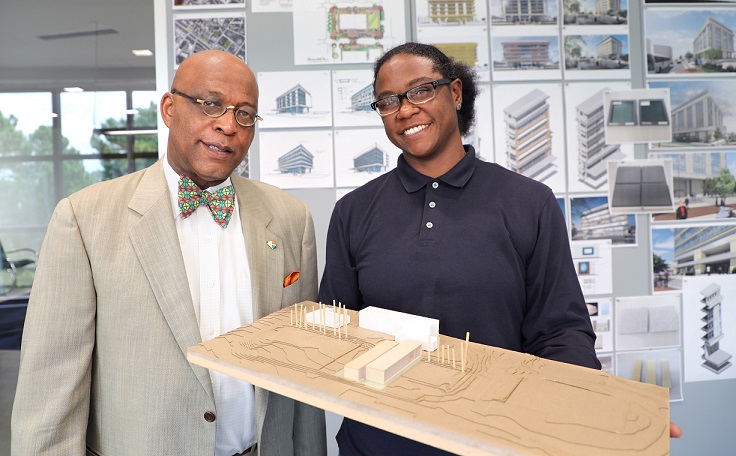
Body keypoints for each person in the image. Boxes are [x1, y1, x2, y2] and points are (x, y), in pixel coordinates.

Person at [318, 42, 681, 454]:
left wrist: (594, 409)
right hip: (377, 443)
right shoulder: (353, 211)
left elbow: (559, 330)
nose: (404, 109)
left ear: (455, 93)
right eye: (388, 101)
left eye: (421, 90)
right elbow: (333, 333)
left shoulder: (528, 201)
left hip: (495, 440)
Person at [12, 50, 326, 456]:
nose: (228, 125)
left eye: (245, 114)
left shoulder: (291, 218)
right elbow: (50, 388)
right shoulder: (84, 219)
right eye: (211, 104)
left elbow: (301, 373)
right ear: (170, 108)